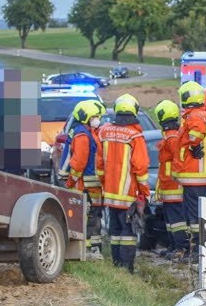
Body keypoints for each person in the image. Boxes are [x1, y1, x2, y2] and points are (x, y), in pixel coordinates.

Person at [96, 94, 150, 272]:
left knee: (115, 231)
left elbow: (99, 165)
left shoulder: (104, 132)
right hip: (129, 194)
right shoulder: (135, 135)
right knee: (128, 232)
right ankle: (127, 268)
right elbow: (140, 167)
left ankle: (116, 264)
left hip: (110, 194)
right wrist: (144, 192)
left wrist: (106, 185)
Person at [60, 99, 106, 258]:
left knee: (94, 216)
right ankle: (86, 250)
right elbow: (78, 163)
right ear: (88, 117)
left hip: (92, 186)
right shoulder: (83, 135)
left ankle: (94, 248)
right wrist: (71, 181)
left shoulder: (87, 133)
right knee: (89, 217)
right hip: (86, 185)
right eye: (96, 116)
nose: (98, 119)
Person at [175, 81, 206, 259]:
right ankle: (200, 249)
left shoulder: (194, 117)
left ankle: (196, 252)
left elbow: (196, 134)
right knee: (198, 212)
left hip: (193, 173)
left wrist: (192, 144)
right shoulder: (204, 114)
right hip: (201, 172)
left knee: (193, 214)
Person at [152, 100, 187, 256]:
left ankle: (180, 247)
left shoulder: (172, 137)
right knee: (171, 221)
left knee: (177, 221)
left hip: (173, 187)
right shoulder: (169, 136)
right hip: (168, 186)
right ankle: (173, 246)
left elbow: (177, 161)